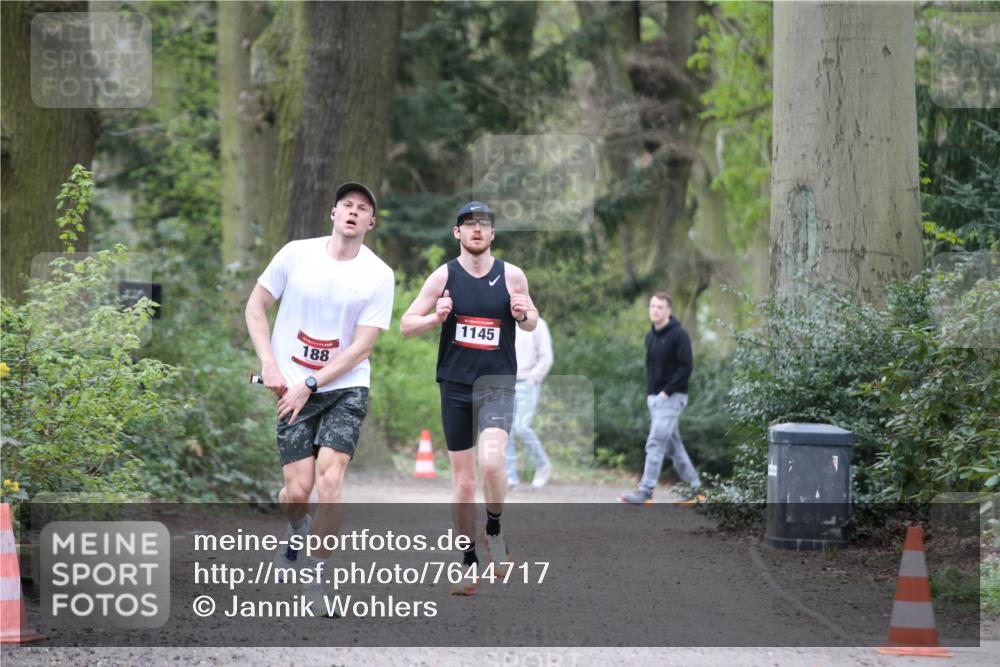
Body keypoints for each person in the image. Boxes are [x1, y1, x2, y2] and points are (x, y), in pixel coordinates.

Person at [245, 182, 394, 614]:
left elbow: (361, 348)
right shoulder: (296, 254)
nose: (353, 212)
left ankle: (317, 580)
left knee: (330, 482)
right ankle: (296, 529)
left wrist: (311, 382)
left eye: (362, 208)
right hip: (289, 388)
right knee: (297, 492)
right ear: (333, 213)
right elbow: (255, 307)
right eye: (346, 205)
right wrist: (269, 364)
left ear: (370, 222)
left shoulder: (378, 274)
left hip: (344, 388)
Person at [401, 201, 537, 594]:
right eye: (469, 224)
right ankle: (467, 562)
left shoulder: (512, 276)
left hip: (496, 382)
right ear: (457, 233)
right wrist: (435, 318)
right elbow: (407, 325)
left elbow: (531, 322)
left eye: (484, 224)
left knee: (492, 462)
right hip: (456, 386)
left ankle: (494, 528)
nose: (477, 229)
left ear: (493, 234)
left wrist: (523, 312)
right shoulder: (443, 276)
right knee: (462, 485)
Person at [621, 292, 702, 504]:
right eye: (652, 306)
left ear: (668, 310)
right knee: (675, 447)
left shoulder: (679, 335)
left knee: (655, 443)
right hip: (655, 400)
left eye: (659, 307)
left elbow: (686, 367)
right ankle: (696, 490)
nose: (654, 310)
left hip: (673, 398)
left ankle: (645, 491)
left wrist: (666, 392)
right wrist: (650, 394)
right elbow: (649, 368)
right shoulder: (651, 336)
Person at [506, 316, 554, 489]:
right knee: (506, 430)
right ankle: (510, 476)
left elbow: (546, 357)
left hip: (527, 382)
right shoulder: (504, 321)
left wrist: (532, 380)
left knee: (521, 427)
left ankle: (543, 465)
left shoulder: (539, 325)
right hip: (506, 383)